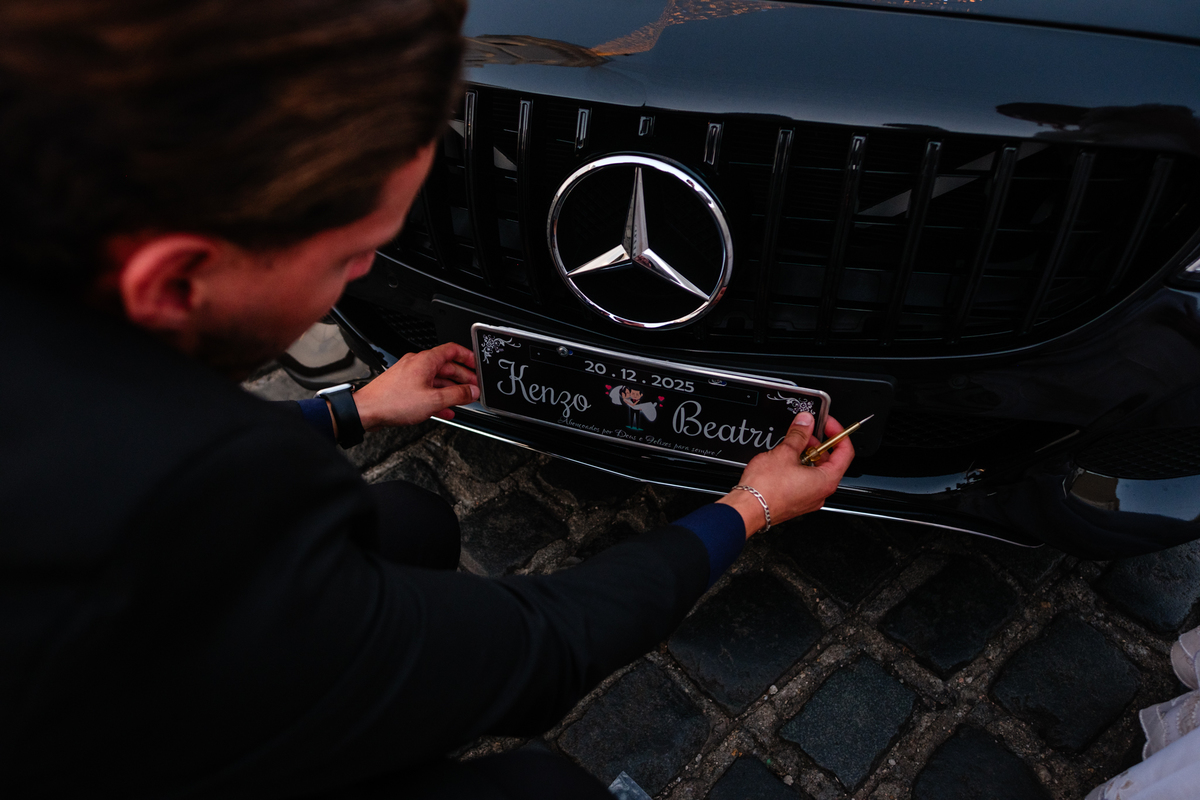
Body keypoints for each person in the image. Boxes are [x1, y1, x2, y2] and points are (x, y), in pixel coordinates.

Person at [0, 1, 856, 797]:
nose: (366, 270)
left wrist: (350, 409)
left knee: (411, 521)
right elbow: (541, 651)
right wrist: (748, 505)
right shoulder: (199, 524)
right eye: (351, 252)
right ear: (178, 278)